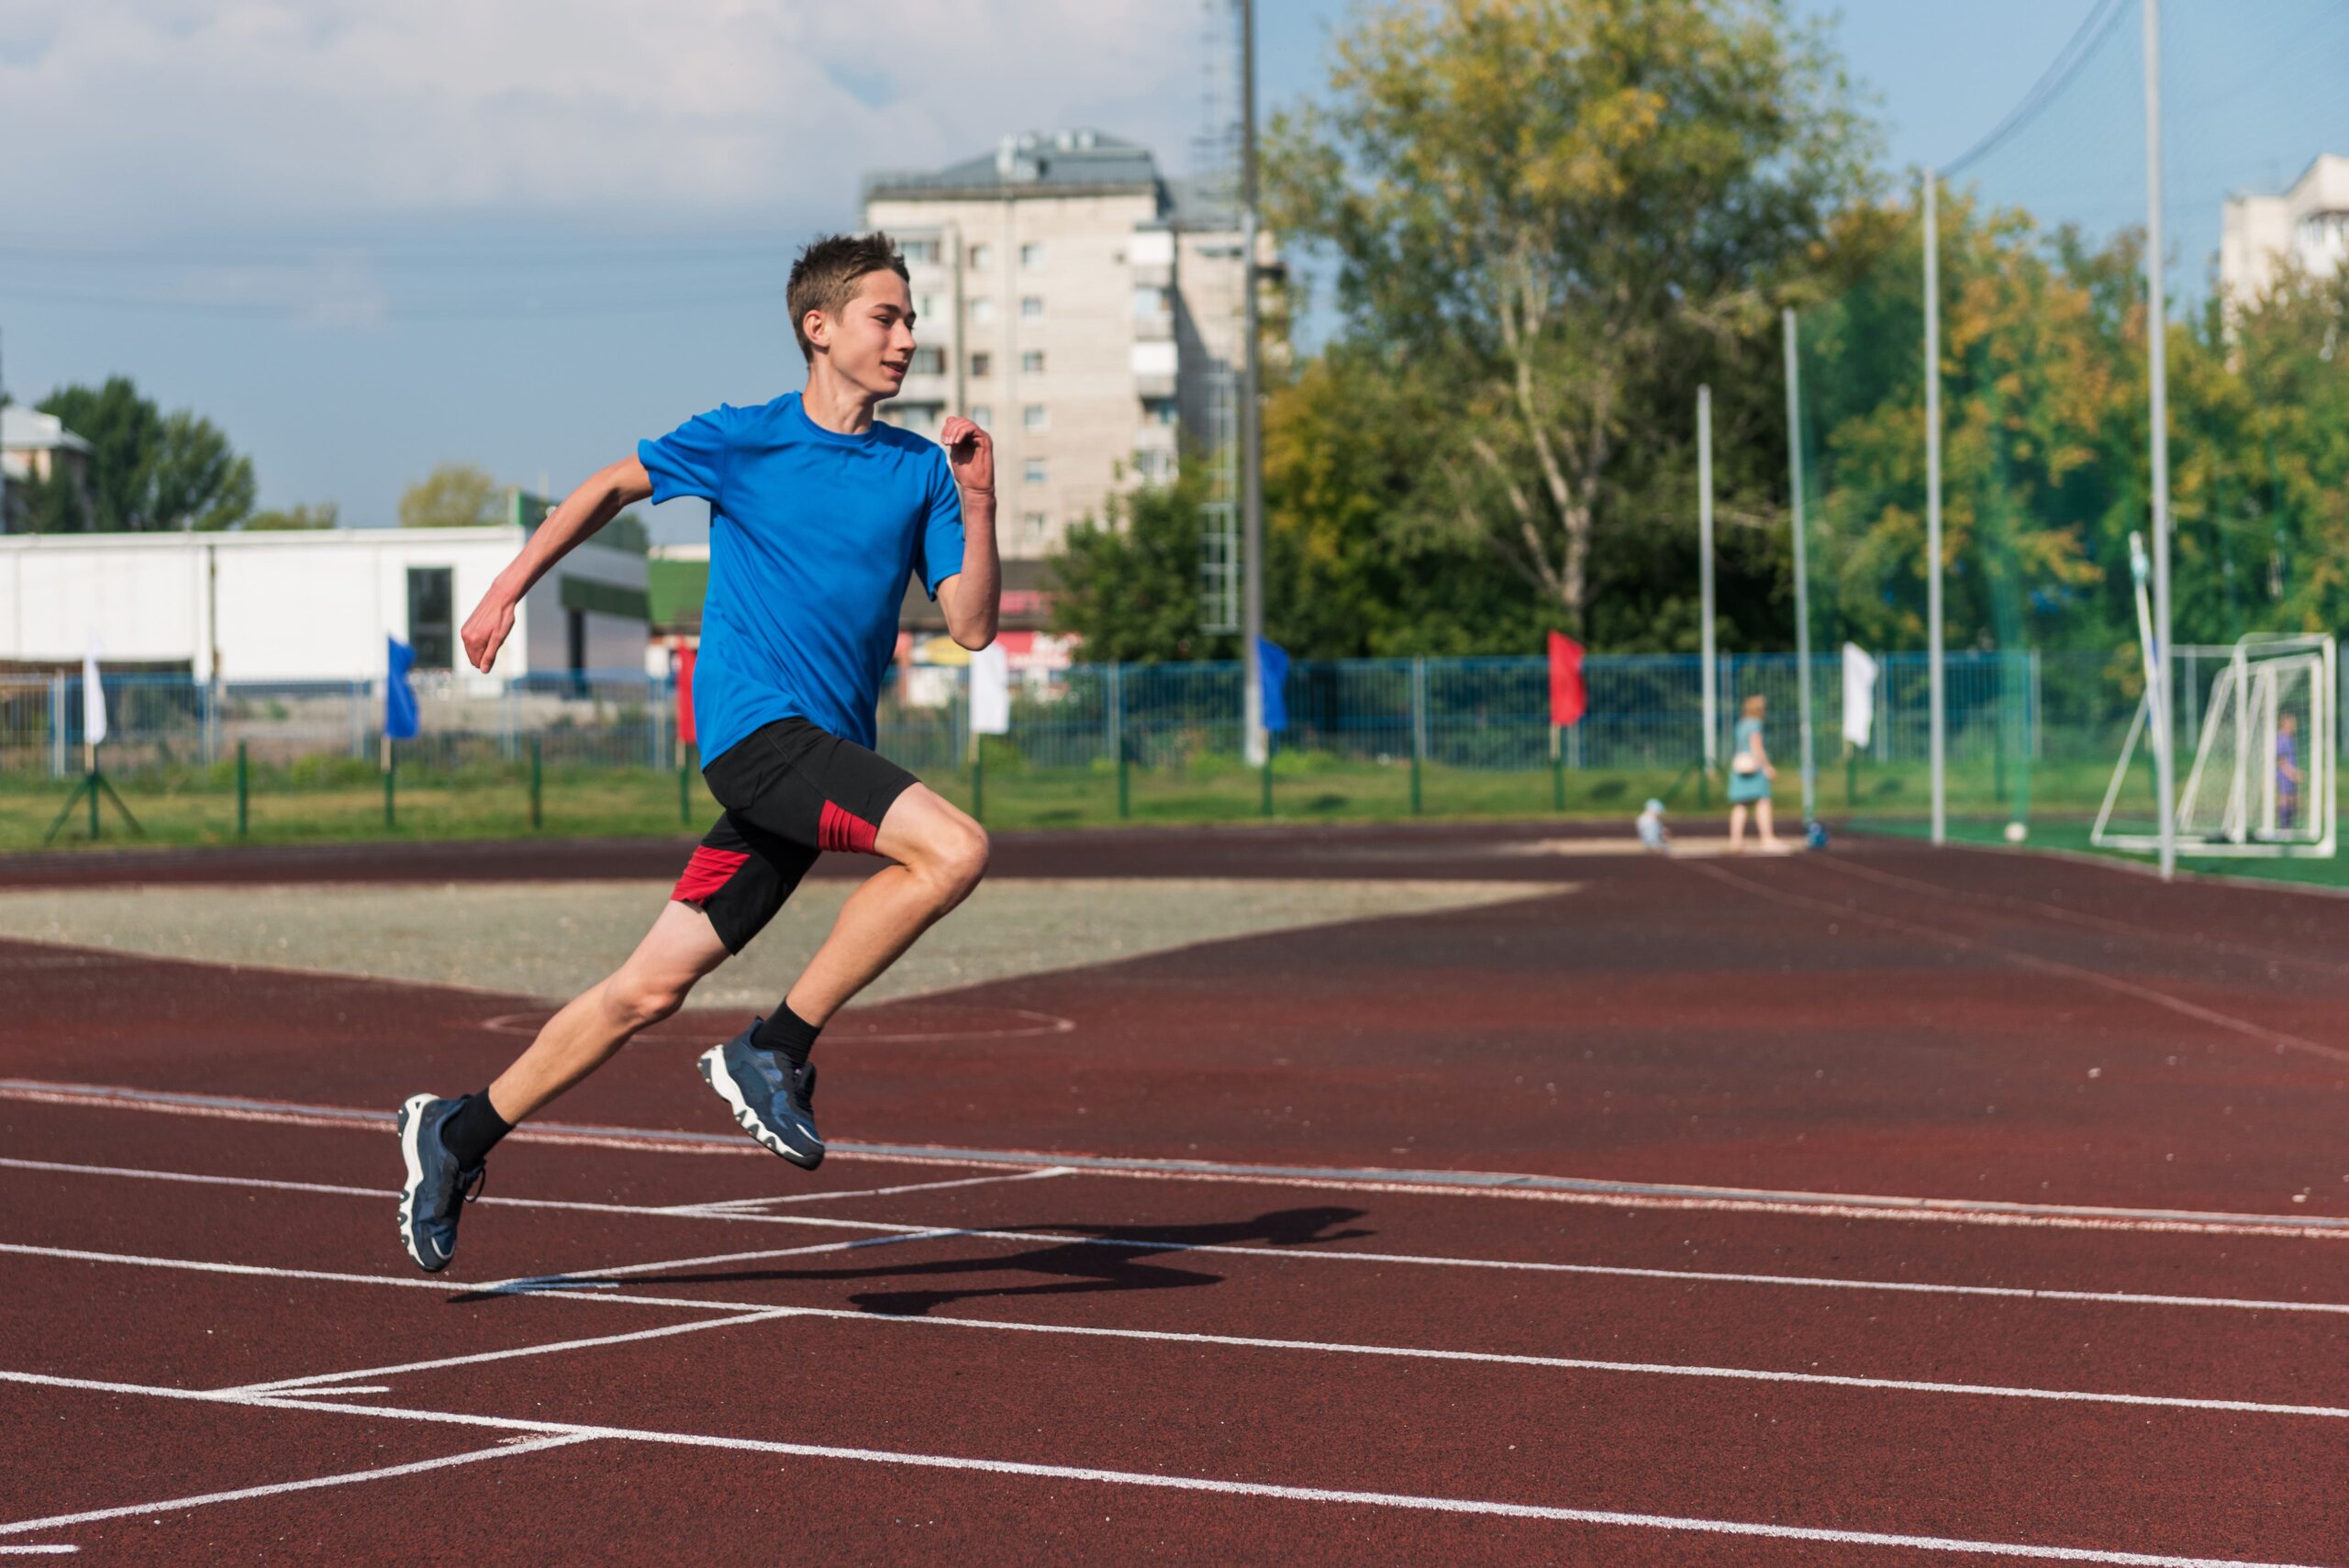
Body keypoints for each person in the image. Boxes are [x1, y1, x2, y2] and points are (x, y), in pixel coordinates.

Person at [395, 233, 999, 1273]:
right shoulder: (743, 437)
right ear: (820, 327)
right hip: (754, 733)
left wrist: (981, 501)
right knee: (952, 849)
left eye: (909, 320)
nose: (905, 337)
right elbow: (606, 486)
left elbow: (975, 626)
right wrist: (505, 589)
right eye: (884, 317)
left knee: (644, 989)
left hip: (813, 761)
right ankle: (776, 1047)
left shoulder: (920, 472)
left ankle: (455, 1134)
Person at [1726, 693, 1780, 852]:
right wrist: (1766, 766)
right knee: (1763, 802)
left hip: (1739, 767)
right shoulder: (1756, 724)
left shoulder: (1741, 724)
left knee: (1741, 804)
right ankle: (1767, 837)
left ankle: (1736, 840)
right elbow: (1756, 746)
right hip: (1754, 768)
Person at [2277, 711, 2302, 831]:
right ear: (2285, 724)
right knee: (2286, 799)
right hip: (2284, 775)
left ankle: (2289, 827)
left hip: (2290, 775)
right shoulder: (2281, 739)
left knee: (2295, 800)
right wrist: (2292, 773)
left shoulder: (2290, 739)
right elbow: (2281, 761)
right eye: (2292, 723)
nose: (2294, 725)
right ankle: (2284, 827)